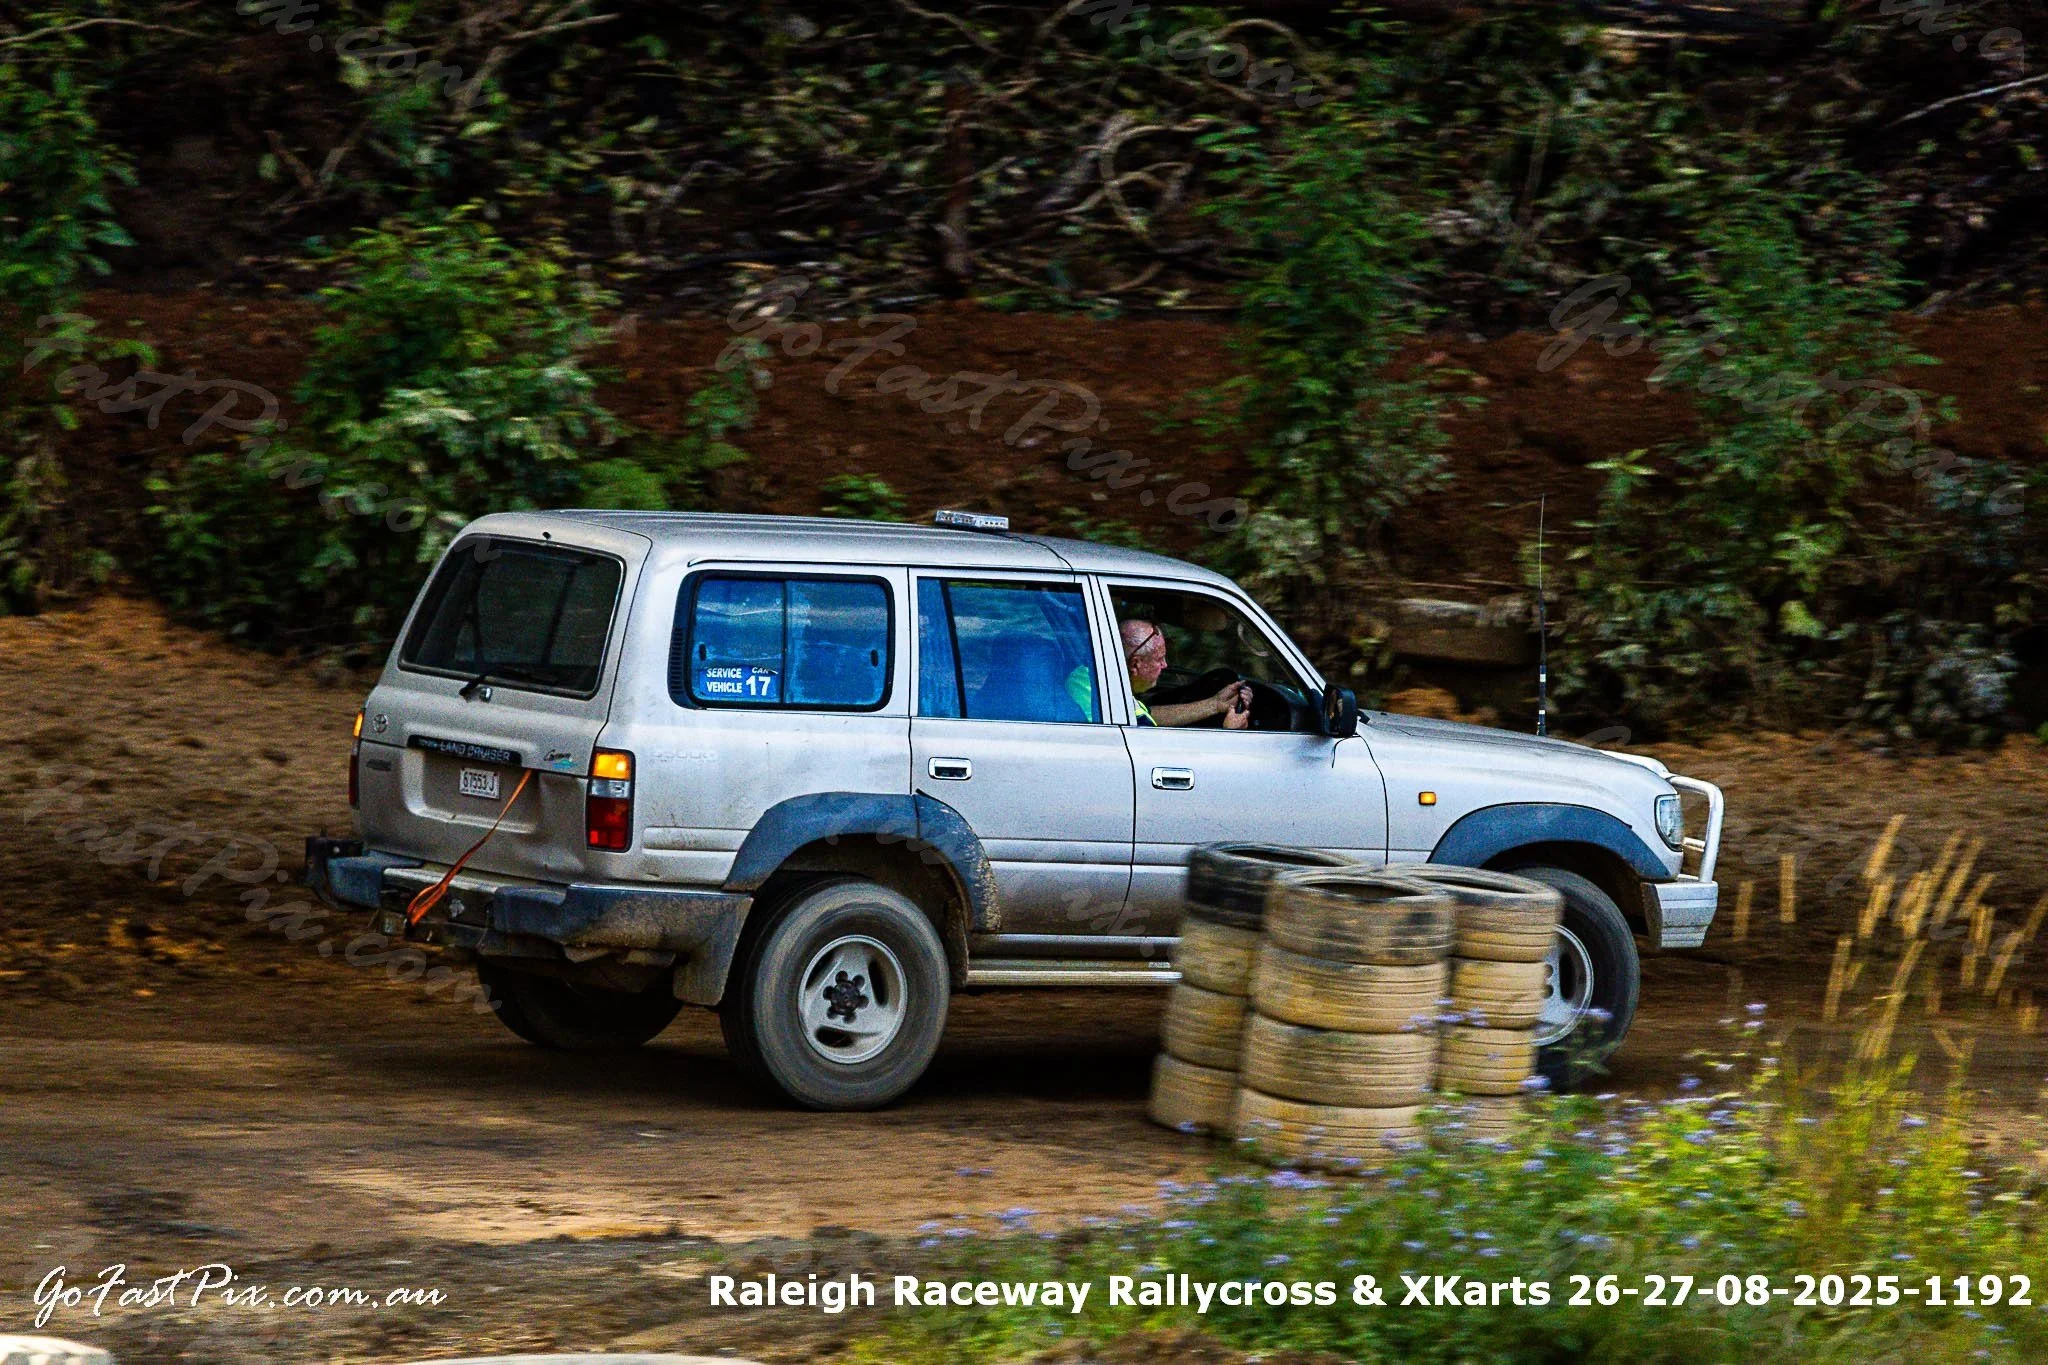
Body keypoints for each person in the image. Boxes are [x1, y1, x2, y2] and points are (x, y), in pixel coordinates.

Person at [1068, 617, 1250, 727]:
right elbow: (1164, 752)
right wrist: (1227, 731)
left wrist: (1214, 704)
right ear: (1135, 664)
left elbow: (1148, 714)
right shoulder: (1092, 689)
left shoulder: (1099, 679)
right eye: (1159, 659)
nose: (1165, 665)